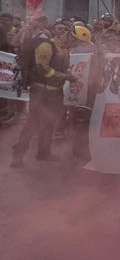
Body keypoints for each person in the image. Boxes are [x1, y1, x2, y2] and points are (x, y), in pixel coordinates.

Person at [11, 23, 91, 168]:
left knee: (50, 122)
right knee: (32, 124)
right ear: (69, 36)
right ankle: (18, 155)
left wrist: (69, 73)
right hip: (41, 91)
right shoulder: (47, 46)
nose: (76, 45)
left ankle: (44, 152)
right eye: (76, 41)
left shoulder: (64, 49)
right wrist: (66, 77)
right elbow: (43, 69)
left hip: (55, 91)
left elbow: (63, 65)